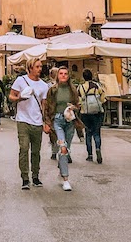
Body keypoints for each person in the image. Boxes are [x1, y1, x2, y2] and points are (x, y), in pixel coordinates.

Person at [8, 59, 49, 190]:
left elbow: (44, 105)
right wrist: (19, 98)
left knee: (36, 151)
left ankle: (35, 176)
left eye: (41, 66)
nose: (40, 69)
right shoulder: (21, 81)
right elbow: (11, 96)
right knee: (24, 148)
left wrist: (45, 121)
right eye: (37, 66)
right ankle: (25, 178)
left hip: (37, 121)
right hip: (23, 120)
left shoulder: (44, 85)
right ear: (30, 68)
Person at [43, 66, 80, 191]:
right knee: (63, 148)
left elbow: (78, 104)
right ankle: (66, 179)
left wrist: (74, 107)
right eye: (61, 73)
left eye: (65, 74)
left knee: (67, 149)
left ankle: (61, 170)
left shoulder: (73, 89)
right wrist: (47, 122)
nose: (63, 75)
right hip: (57, 120)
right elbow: (47, 106)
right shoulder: (53, 90)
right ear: (57, 76)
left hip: (70, 120)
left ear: (68, 76)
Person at [78, 68, 106, 163]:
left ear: (83, 77)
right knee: (97, 133)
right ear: (91, 76)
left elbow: (79, 101)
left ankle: (90, 155)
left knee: (88, 133)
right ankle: (98, 148)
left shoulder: (81, 87)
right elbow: (103, 98)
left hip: (85, 113)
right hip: (97, 112)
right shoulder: (97, 86)